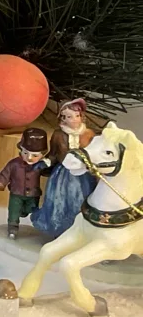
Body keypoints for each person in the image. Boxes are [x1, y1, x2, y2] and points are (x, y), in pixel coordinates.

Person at [32, 98, 97, 237]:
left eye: (77, 116)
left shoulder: (89, 134)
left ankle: (81, 231)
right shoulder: (58, 135)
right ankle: (60, 230)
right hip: (62, 176)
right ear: (62, 118)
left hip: (83, 175)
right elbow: (54, 154)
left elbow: (94, 153)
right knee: (60, 202)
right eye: (69, 117)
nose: (74, 120)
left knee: (82, 200)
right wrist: (45, 163)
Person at [0, 128, 49, 239]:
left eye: (35, 155)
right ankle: (12, 228)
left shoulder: (40, 166)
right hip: (16, 193)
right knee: (14, 211)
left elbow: (48, 172)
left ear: (42, 155)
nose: (29, 158)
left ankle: (27, 213)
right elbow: (5, 173)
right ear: (21, 150)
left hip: (33, 194)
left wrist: (49, 165)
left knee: (31, 209)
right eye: (25, 153)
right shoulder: (14, 164)